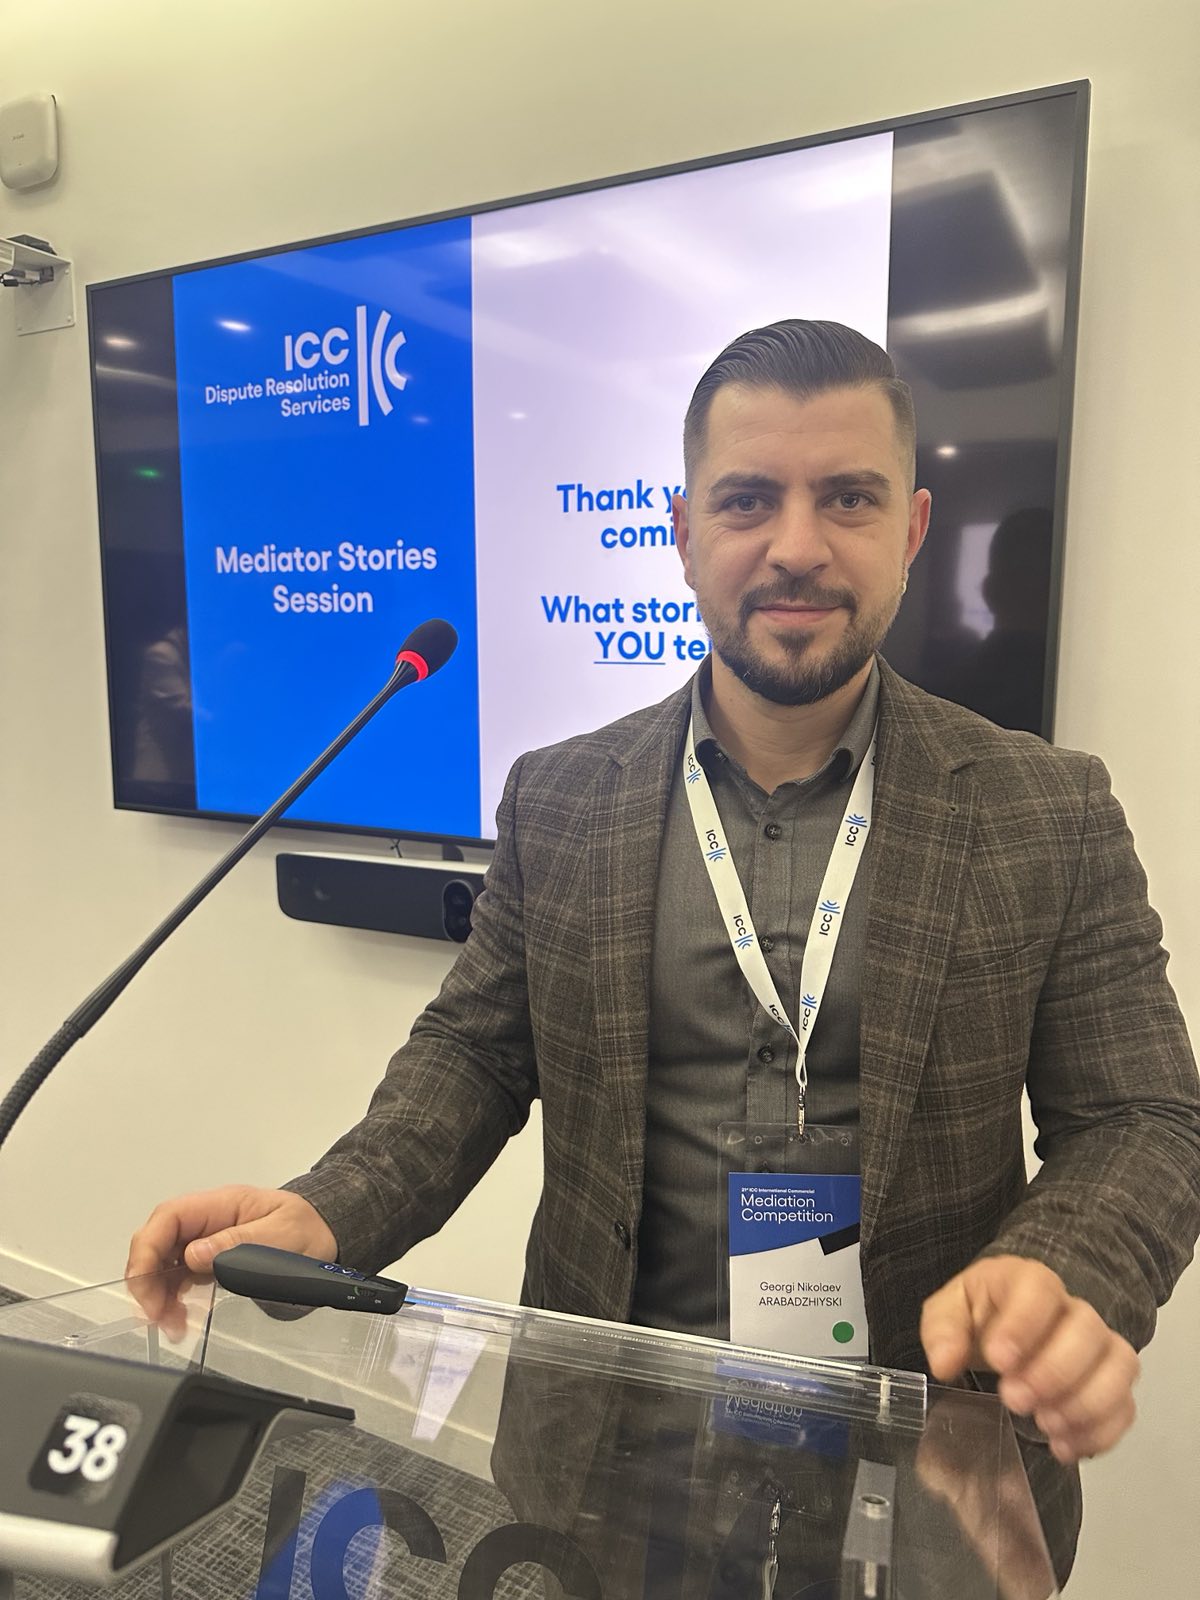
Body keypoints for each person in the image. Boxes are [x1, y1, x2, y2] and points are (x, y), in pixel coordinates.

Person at [127, 320, 1200, 1585]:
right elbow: (475, 1053)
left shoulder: (1047, 810)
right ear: (683, 532)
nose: (796, 545)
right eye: (748, 500)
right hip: (604, 1471)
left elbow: (1143, 1116)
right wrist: (329, 1208)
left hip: (924, 1480)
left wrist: (1059, 1269)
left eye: (847, 497)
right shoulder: (561, 796)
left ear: (911, 530)